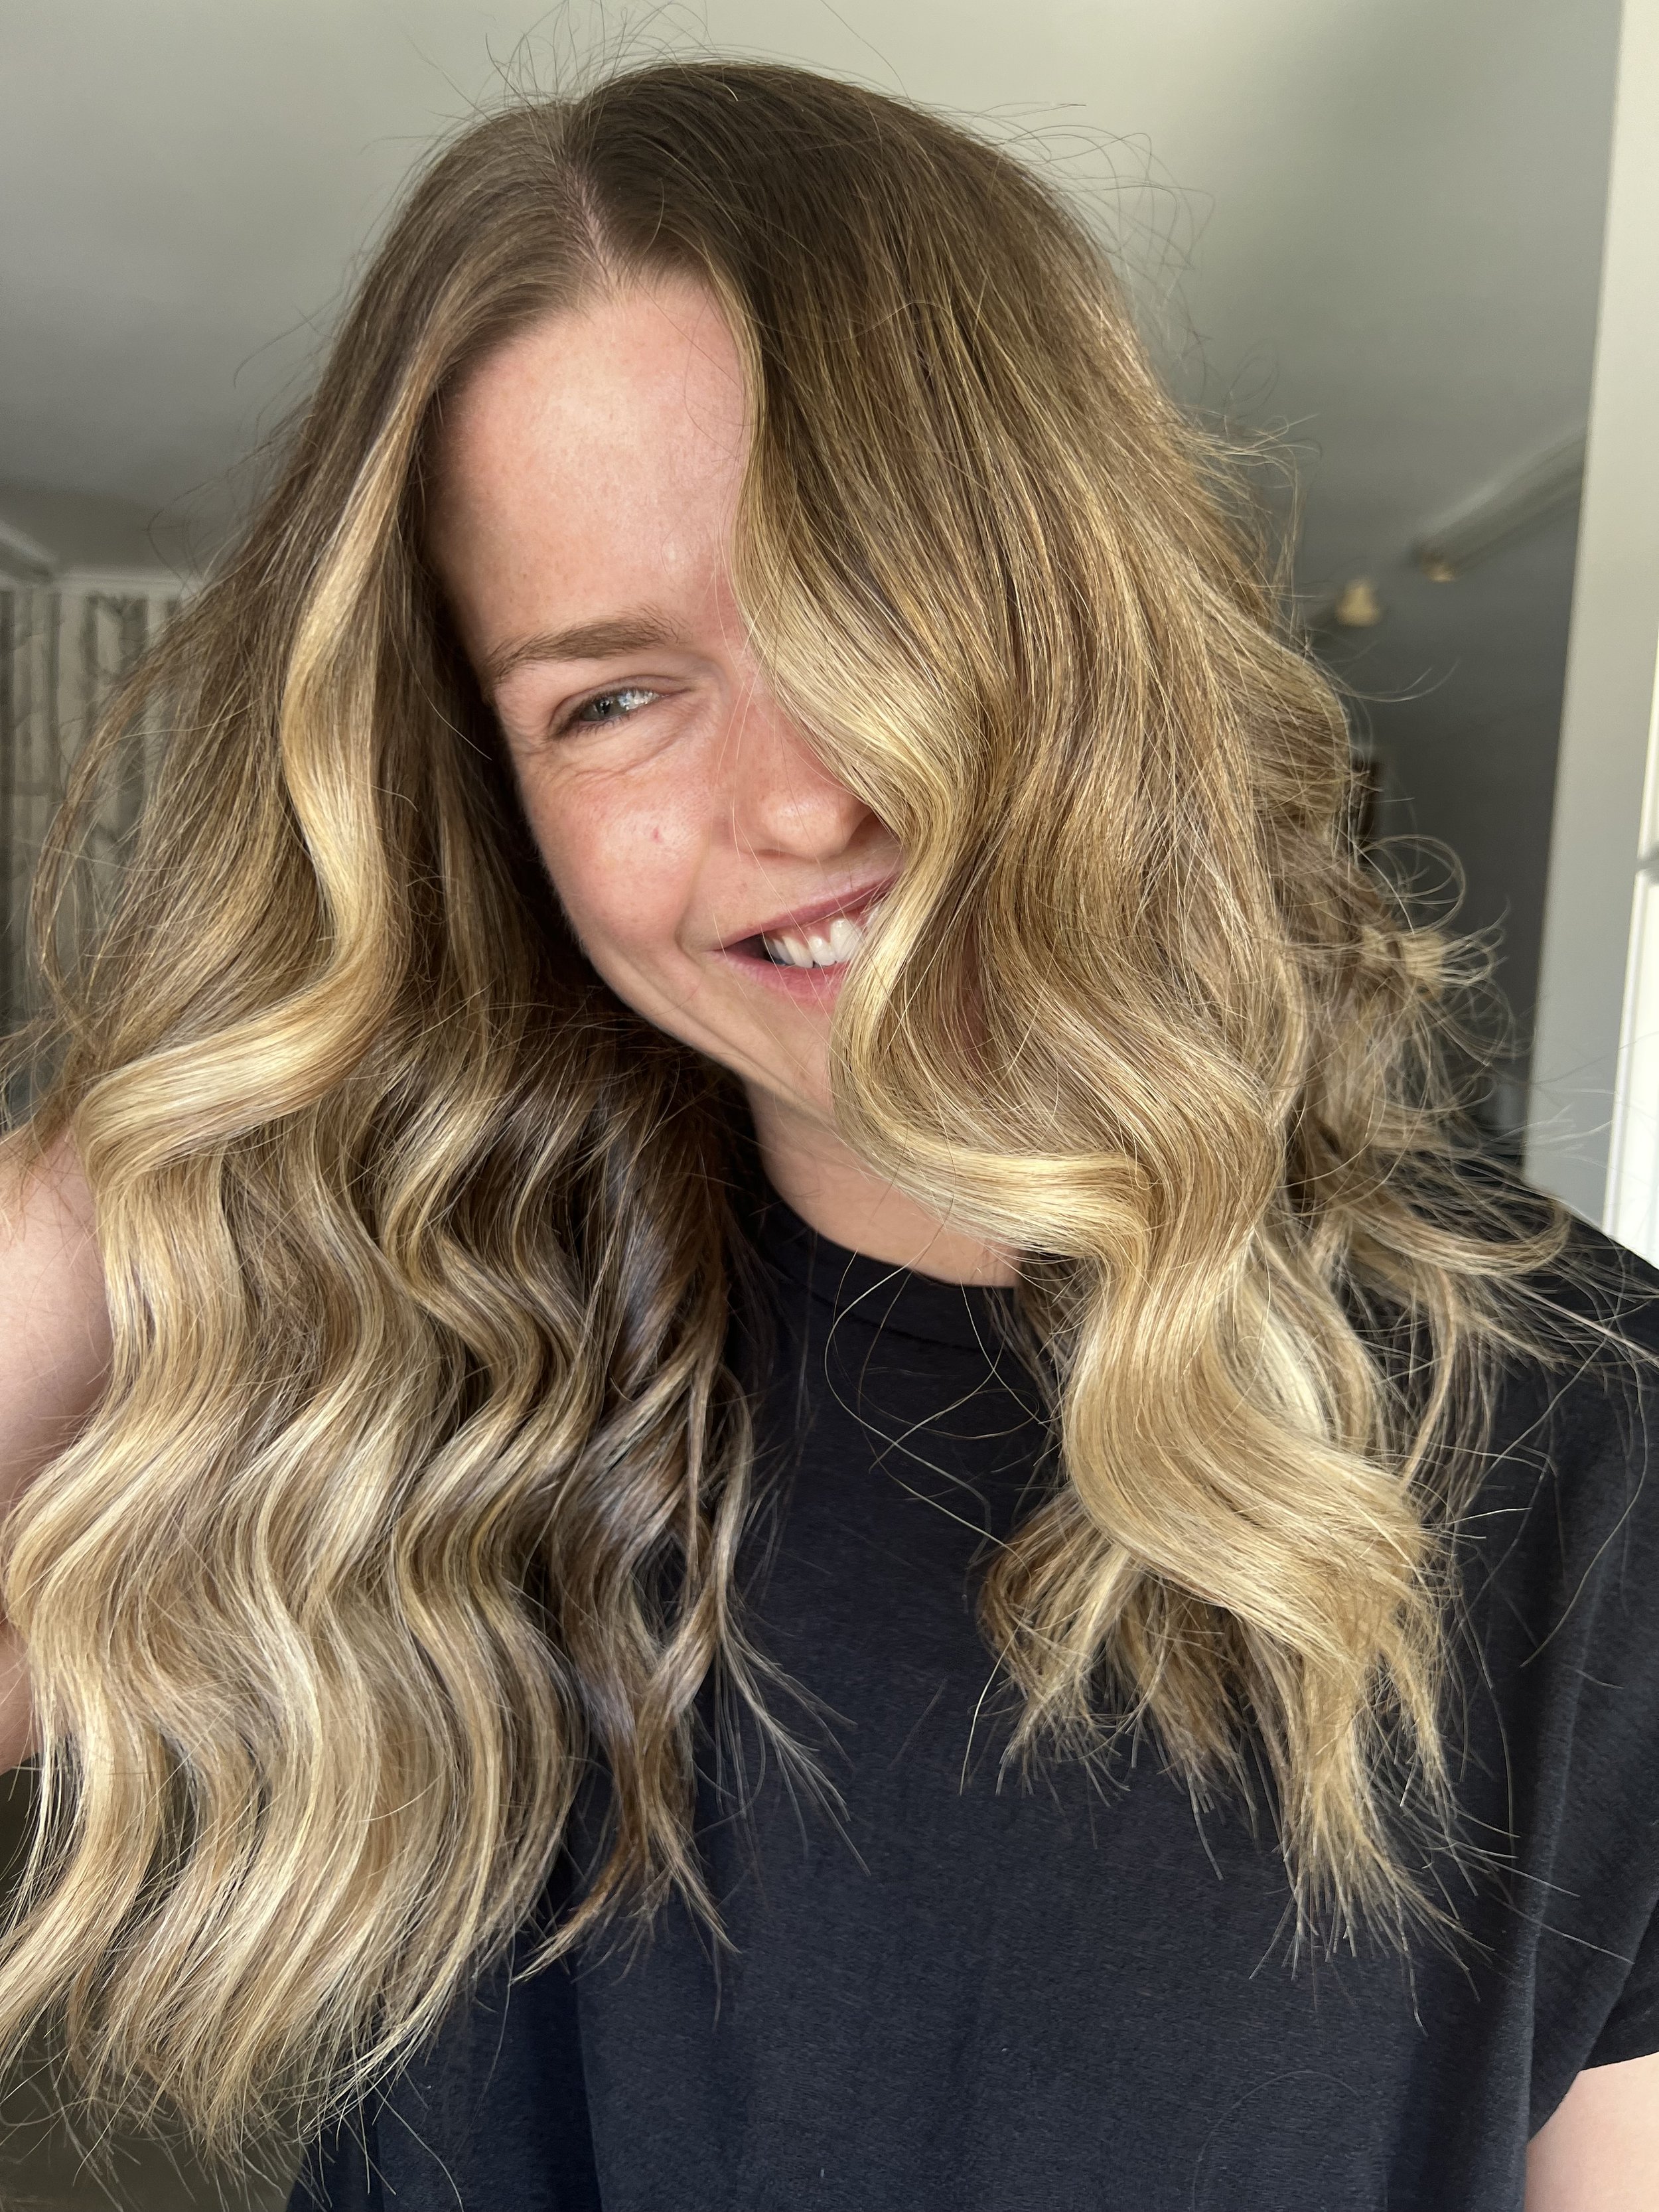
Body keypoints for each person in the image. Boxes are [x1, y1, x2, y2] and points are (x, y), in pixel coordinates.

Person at [0, 56, 1655, 2212]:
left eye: (861, 591)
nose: (802, 803)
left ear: (1096, 608)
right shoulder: (397, 1360)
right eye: (610, 696)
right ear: (481, 808)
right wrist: (145, 1146)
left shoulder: (1590, 1447)